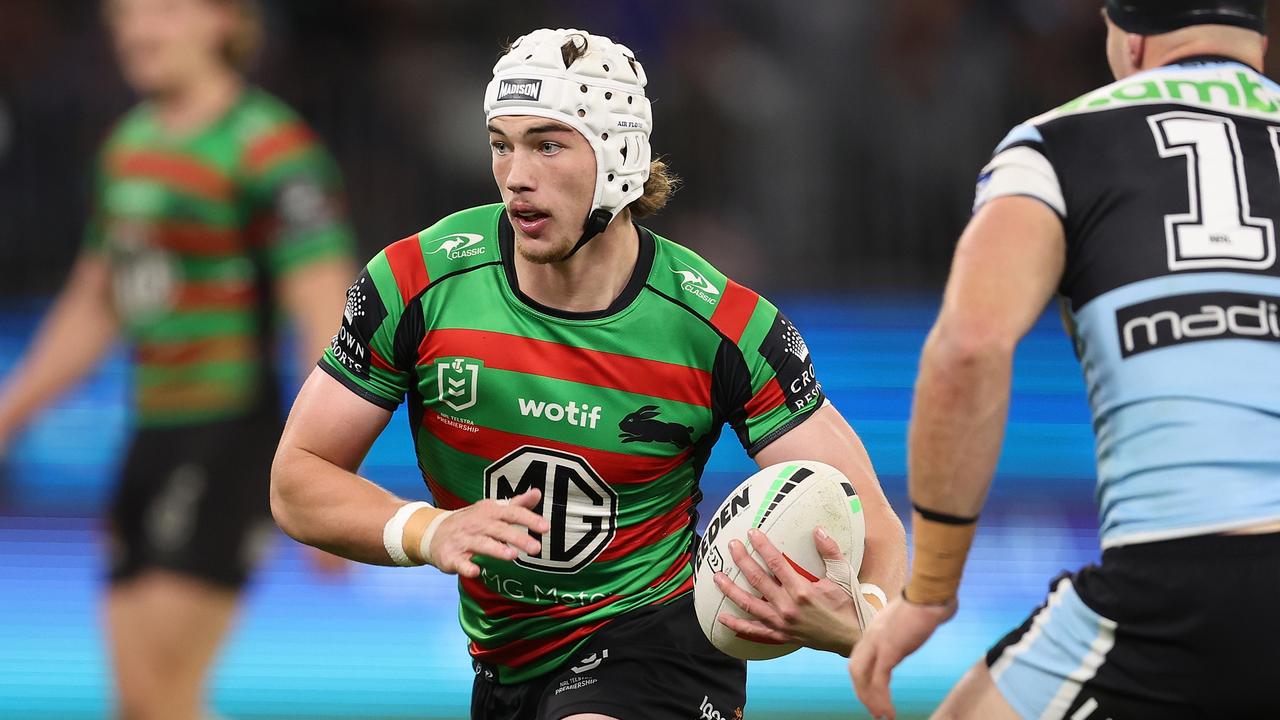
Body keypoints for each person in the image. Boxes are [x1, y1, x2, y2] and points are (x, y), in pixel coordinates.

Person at [270, 27, 905, 720]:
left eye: (548, 144)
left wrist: (864, 617)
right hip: (505, 662)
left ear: (620, 157)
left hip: (659, 642)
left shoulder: (724, 328)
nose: (516, 176)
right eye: (501, 144)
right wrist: (428, 531)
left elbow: (870, 517)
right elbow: (297, 479)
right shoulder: (414, 284)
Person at [846, 1, 1280, 718]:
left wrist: (930, 594)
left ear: (1131, 37)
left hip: (1173, 579)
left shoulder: (1055, 145)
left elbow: (969, 348)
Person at [0, 1, 356, 717]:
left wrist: (332, 475)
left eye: (162, 11)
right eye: (126, 14)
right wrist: (8, 414)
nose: (137, 30)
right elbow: (96, 304)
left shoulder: (269, 148)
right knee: (139, 701)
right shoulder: (130, 143)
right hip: (150, 432)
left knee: (162, 695)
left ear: (224, 21)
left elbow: (327, 314)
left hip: (228, 434)